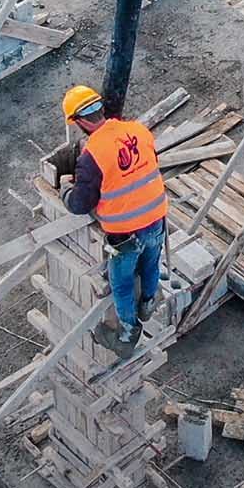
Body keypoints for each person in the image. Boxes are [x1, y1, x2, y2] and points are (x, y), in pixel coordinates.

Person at [54, 85, 167, 348]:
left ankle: (127, 335)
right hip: (156, 218)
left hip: (125, 234)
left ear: (79, 121)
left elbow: (81, 204)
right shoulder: (138, 130)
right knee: (151, 264)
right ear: (100, 109)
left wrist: (67, 190)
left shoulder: (91, 155)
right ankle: (148, 304)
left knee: (123, 284)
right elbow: (145, 164)